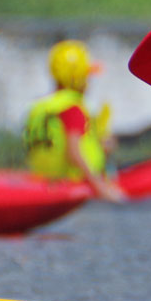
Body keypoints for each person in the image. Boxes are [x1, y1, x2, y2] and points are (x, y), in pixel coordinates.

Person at [23, 40, 124, 202]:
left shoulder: (40, 107)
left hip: (42, 181)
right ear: (76, 78)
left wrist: (101, 145)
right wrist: (101, 188)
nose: (88, 82)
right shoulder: (72, 108)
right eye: (86, 76)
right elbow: (73, 153)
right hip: (70, 184)